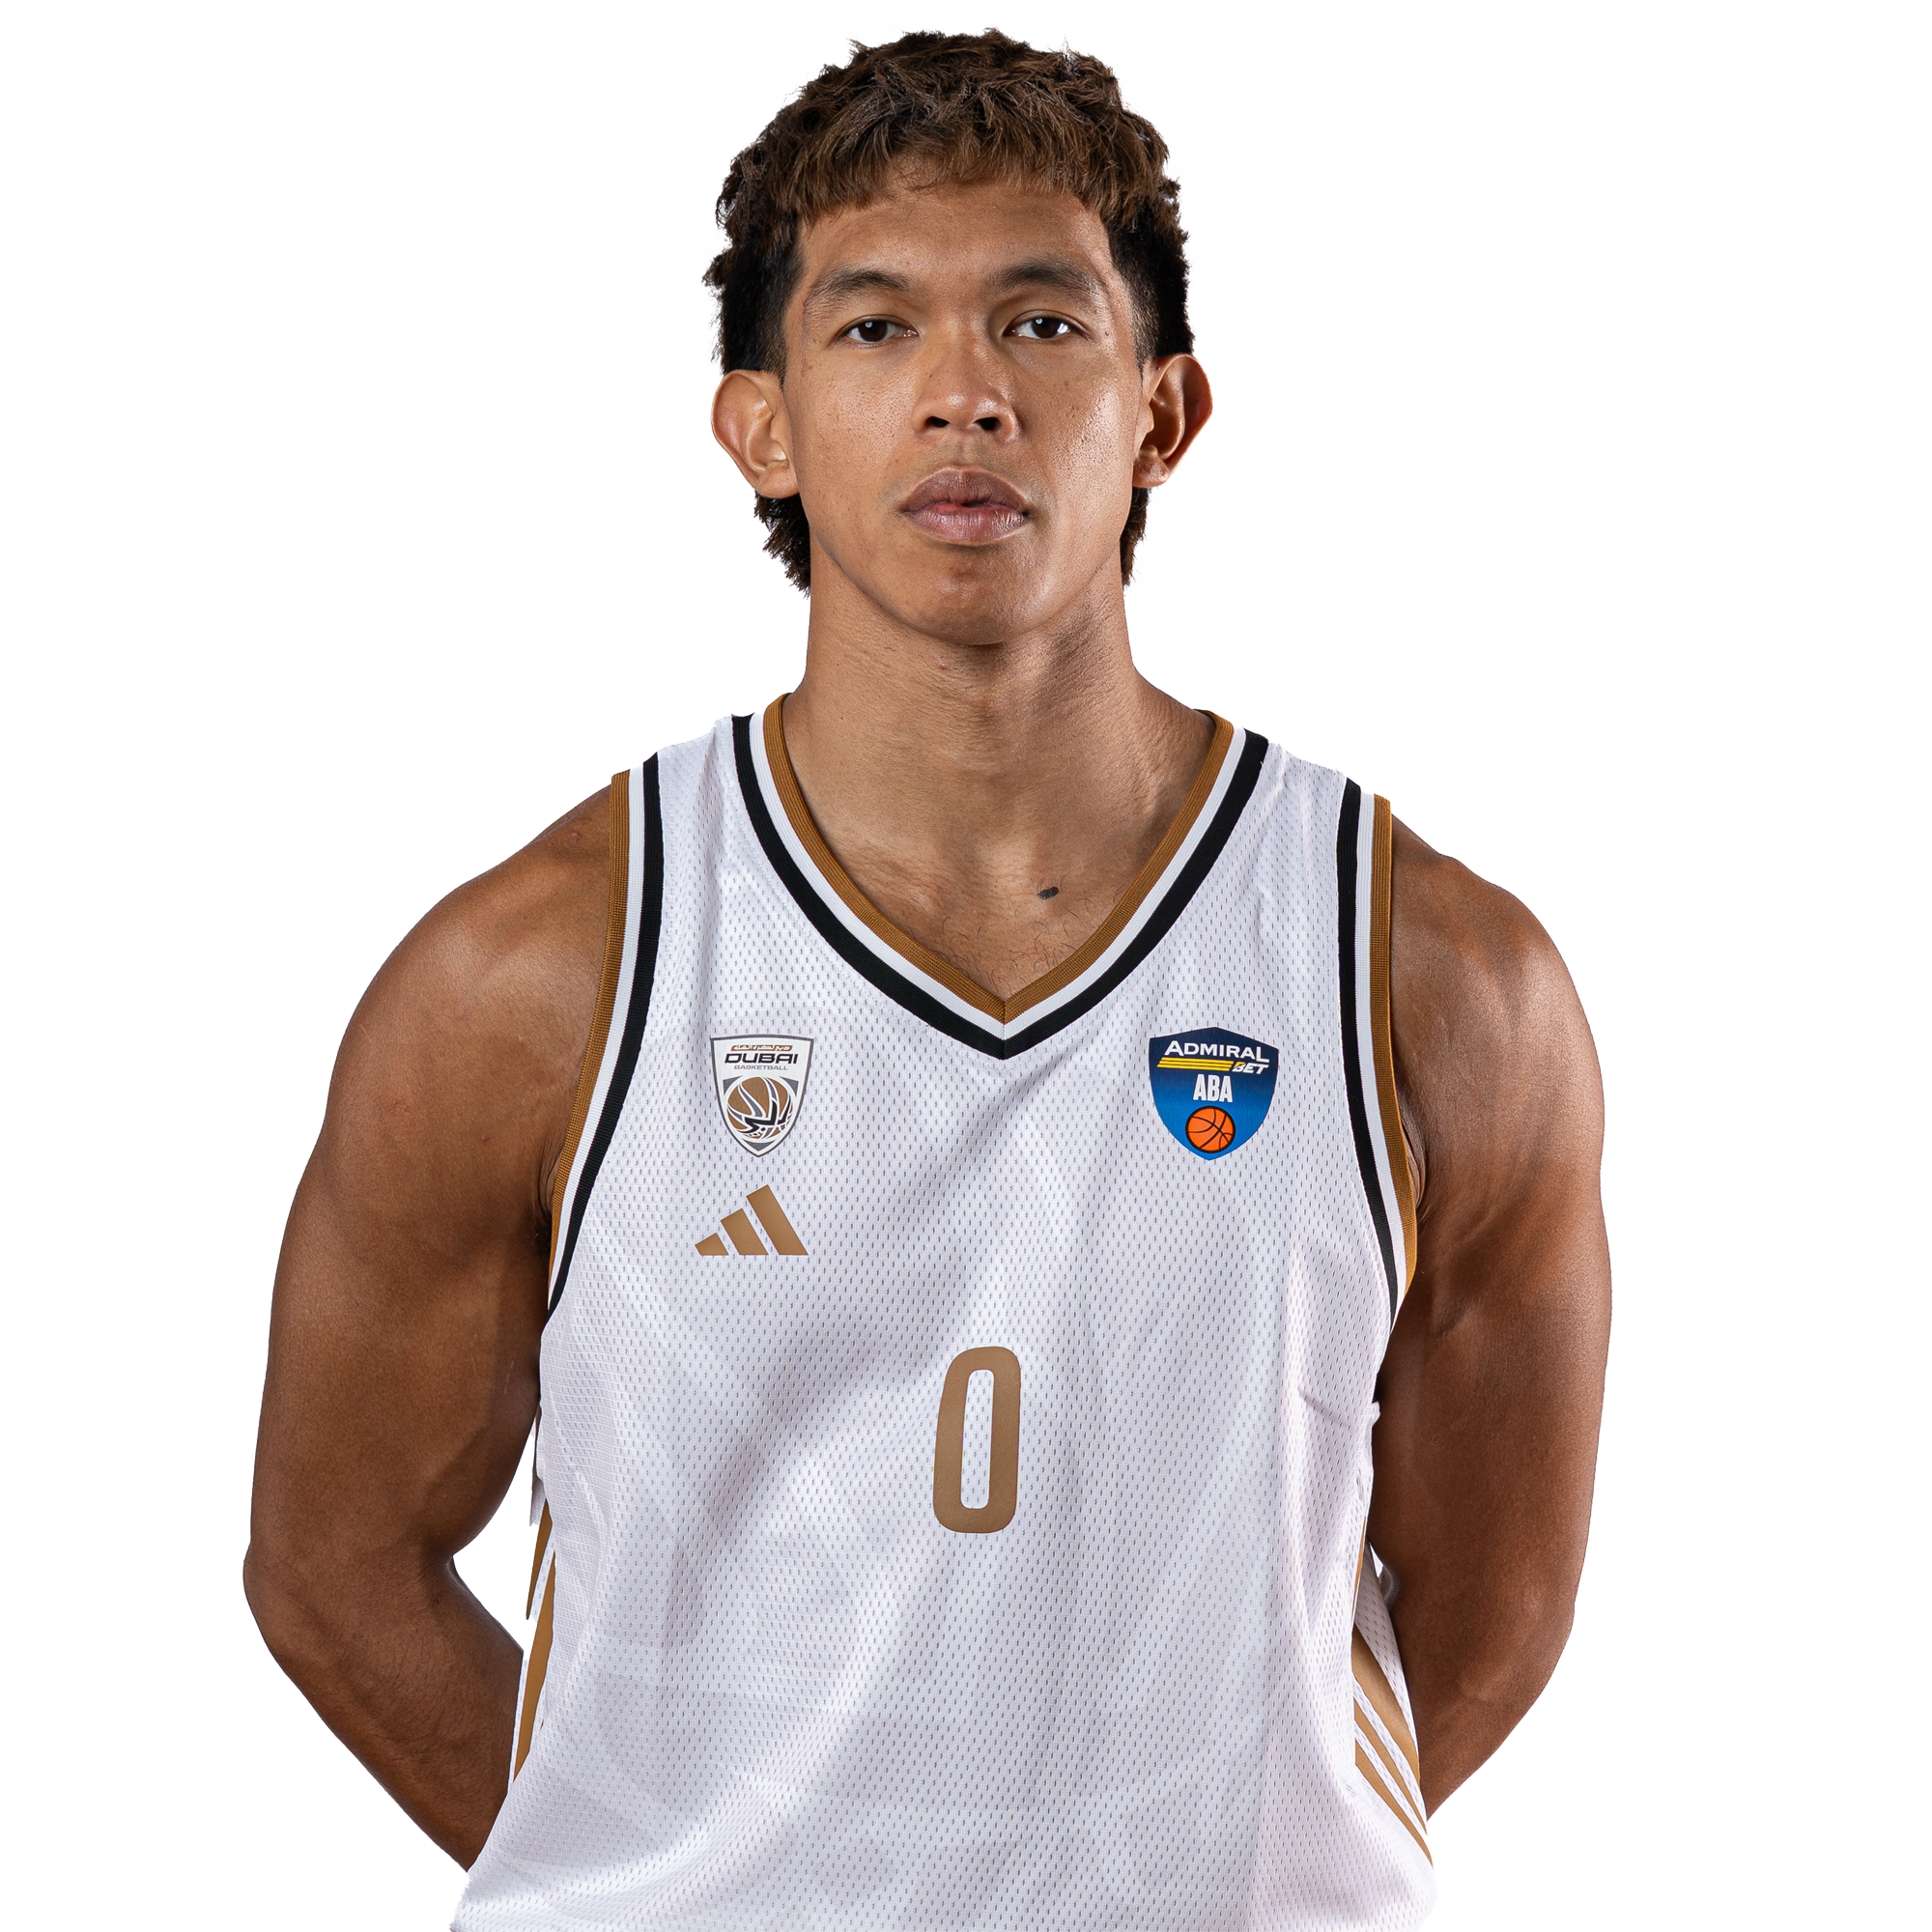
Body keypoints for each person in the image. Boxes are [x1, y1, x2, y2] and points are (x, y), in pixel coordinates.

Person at [246, 27, 1608, 1929]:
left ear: (1162, 411)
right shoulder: (534, 978)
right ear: (762, 423)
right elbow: (332, 1566)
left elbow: (1497, 1608)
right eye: (877, 327)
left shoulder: (1433, 977)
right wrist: (678, 1876)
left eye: (1041, 324)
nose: (965, 395)